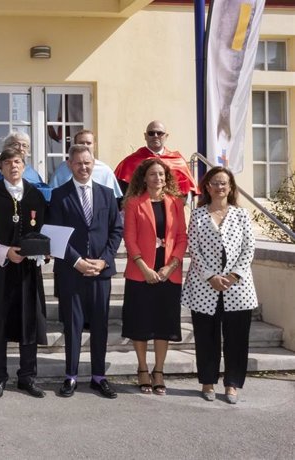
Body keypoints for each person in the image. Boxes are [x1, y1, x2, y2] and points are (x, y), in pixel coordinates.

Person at [48, 144, 122, 399]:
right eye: (78, 163)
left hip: (100, 272)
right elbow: (54, 234)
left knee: (100, 325)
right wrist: (76, 261)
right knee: (73, 326)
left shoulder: (107, 193)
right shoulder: (59, 195)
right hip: (71, 271)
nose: (83, 167)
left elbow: (116, 230)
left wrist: (103, 260)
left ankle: (99, 376)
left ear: (94, 163)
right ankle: (70, 376)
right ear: (70, 165)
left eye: (87, 163)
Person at [182, 166, 258, 404]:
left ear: (231, 187)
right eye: (215, 183)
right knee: (206, 336)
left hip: (238, 288)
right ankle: (207, 381)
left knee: (236, 338)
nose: (219, 187)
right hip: (205, 286)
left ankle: (232, 383)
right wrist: (210, 276)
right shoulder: (198, 215)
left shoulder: (241, 215)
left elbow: (249, 248)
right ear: (207, 187)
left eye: (224, 183)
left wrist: (234, 275)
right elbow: (194, 248)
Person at [0, 146, 48, 399]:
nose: (13, 166)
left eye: (18, 162)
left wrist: (41, 250)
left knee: (28, 321)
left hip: (29, 271)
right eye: (8, 162)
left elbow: (44, 229)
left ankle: (27, 377)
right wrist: (5, 252)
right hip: (0, 268)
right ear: (0, 169)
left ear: (24, 165)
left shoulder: (35, 195)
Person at [121, 158, 187, 395]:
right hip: (141, 274)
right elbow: (129, 238)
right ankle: (142, 369)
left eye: (161, 174)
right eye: (152, 174)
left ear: (166, 178)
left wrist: (170, 267)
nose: (157, 178)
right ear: (144, 177)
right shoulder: (133, 203)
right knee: (140, 324)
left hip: (169, 273)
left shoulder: (176, 203)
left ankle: (158, 370)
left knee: (163, 325)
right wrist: (145, 268)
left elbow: (182, 237)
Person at [114, 120, 198, 197]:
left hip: (171, 209)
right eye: (151, 133)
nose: (155, 136)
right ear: (145, 136)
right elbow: (122, 191)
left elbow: (186, 192)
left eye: (159, 133)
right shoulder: (131, 161)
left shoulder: (178, 161)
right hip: (140, 208)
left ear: (166, 136)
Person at [49, 129, 123, 200]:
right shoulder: (62, 170)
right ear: (75, 145)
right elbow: (52, 197)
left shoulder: (105, 171)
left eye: (88, 143)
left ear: (95, 146)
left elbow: (114, 201)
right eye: (81, 143)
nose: (85, 146)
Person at [0, 131, 53, 201]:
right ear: (7, 147)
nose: (21, 148)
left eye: (24, 145)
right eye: (16, 144)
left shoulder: (32, 172)